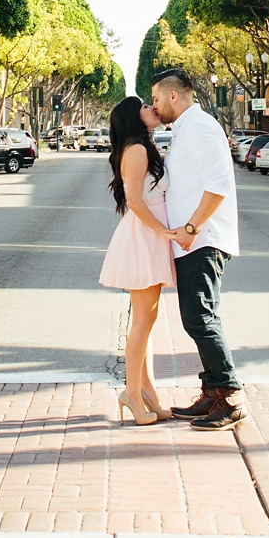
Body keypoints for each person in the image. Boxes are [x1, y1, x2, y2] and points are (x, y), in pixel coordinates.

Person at [149, 68, 245, 430]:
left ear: (174, 95)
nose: (155, 107)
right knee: (196, 318)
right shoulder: (187, 129)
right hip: (194, 240)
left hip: (203, 240)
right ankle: (211, 392)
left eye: (157, 99)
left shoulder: (200, 127)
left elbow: (219, 184)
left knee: (201, 317)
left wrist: (192, 227)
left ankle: (229, 397)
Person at [98, 96, 176, 426]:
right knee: (143, 322)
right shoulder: (137, 150)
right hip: (144, 237)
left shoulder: (143, 147)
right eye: (145, 105)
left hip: (149, 236)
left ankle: (148, 393)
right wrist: (165, 232)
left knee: (148, 320)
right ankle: (132, 392)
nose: (152, 108)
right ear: (134, 116)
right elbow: (134, 200)